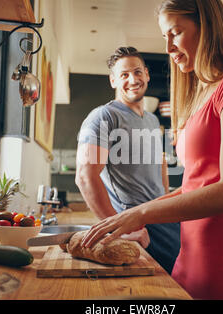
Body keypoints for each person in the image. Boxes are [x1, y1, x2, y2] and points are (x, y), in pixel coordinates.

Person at [81, 0, 223, 300]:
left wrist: (140, 213)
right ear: (113, 80)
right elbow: (193, 184)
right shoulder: (199, 94)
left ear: (207, 27)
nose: (168, 47)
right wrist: (131, 217)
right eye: (164, 37)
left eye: (176, 32)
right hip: (190, 253)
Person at [75, 47, 181, 274]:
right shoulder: (103, 116)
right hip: (135, 225)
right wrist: (119, 230)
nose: (133, 79)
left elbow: (160, 162)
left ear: (147, 74)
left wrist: (164, 201)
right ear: (113, 80)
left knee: (180, 285)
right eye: (124, 75)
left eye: (137, 72)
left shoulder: (152, 120)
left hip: (164, 221)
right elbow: (85, 177)